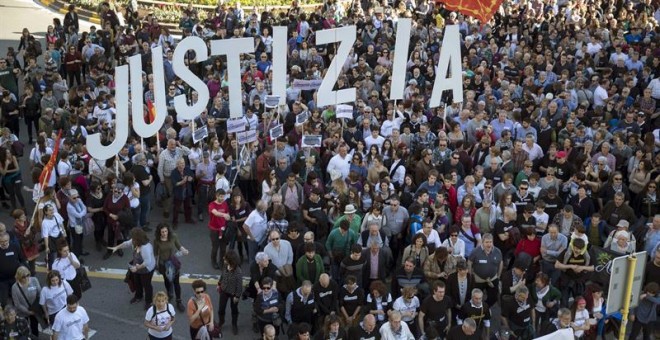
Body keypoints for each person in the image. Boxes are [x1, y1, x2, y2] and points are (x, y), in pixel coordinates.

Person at [108, 227, 156, 309]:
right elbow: (126, 243)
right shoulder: (135, 241)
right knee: (137, 282)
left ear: (138, 239)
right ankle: (138, 296)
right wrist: (117, 247)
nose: (131, 239)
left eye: (133, 237)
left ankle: (149, 301)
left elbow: (147, 262)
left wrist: (137, 268)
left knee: (146, 285)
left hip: (147, 269)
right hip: (137, 265)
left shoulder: (145, 248)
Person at [153, 223, 189, 312]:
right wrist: (155, 265)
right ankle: (169, 292)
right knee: (167, 281)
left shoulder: (173, 236)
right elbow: (156, 254)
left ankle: (179, 301)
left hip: (172, 263)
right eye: (162, 232)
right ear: (159, 232)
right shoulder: (157, 240)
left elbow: (179, 246)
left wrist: (184, 250)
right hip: (163, 264)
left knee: (176, 282)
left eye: (166, 231)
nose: (164, 233)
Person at [217, 250, 243, 336]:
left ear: (231, 260)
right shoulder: (225, 266)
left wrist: (237, 296)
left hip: (233, 293)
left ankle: (234, 324)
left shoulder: (238, 271)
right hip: (224, 290)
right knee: (221, 308)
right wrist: (219, 284)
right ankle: (221, 321)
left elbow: (239, 286)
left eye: (226, 259)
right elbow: (222, 275)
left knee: (234, 309)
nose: (224, 259)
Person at [11, 266, 41, 338]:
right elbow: (17, 304)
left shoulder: (34, 280)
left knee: (34, 328)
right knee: (23, 330)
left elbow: (40, 294)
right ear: (18, 277)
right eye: (23, 277)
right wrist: (28, 312)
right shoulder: (14, 287)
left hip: (34, 309)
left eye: (28, 275)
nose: (26, 278)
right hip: (22, 312)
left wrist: (36, 308)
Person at [0, 230, 26, 306]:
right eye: (1, 241)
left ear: (9, 240)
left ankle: (17, 314)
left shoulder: (15, 246)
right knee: (3, 301)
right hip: (2, 281)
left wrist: (22, 268)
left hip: (15, 278)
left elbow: (22, 259)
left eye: (6, 241)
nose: (4, 243)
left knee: (17, 298)